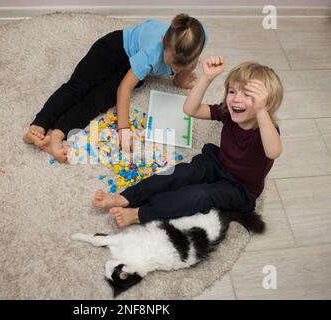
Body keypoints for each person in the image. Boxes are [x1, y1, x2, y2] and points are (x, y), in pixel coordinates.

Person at [93, 57, 283, 228]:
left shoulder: (267, 129)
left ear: (266, 105)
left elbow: (273, 151)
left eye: (248, 96)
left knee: (198, 195)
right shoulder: (227, 112)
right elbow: (191, 109)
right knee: (179, 174)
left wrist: (260, 111)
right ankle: (125, 197)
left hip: (240, 188)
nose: (236, 99)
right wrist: (206, 78)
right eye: (232, 91)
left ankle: (138, 214)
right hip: (217, 164)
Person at [23, 14, 206, 163]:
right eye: (172, 64)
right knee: (78, 86)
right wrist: (124, 129)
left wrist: (180, 81)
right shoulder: (150, 54)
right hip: (113, 49)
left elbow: (189, 63)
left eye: (180, 66)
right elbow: (124, 90)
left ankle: (57, 134)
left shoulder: (196, 39)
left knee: (97, 101)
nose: (174, 70)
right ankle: (39, 124)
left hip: (130, 68)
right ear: (163, 41)